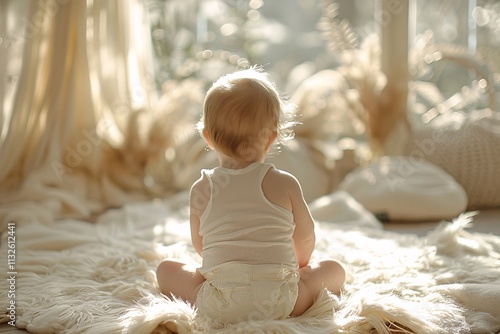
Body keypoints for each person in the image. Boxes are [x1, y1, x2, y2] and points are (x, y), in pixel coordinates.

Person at [156, 67, 345, 324]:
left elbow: (201, 246)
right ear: (272, 139)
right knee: (334, 269)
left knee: (166, 269)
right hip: (282, 299)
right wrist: (299, 265)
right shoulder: (285, 183)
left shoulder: (202, 188)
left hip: (219, 301)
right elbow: (305, 236)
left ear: (208, 138)